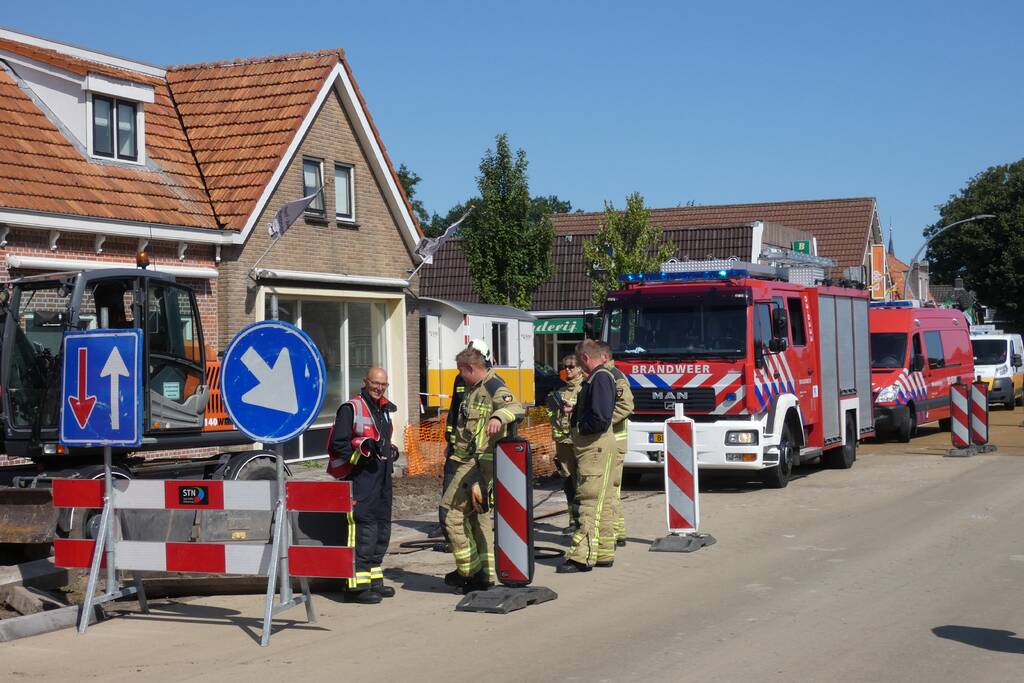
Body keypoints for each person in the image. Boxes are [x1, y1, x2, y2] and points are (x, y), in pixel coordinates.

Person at [440, 346, 524, 593]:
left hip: (478, 468)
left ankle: (469, 570)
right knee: (478, 518)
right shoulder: (473, 389)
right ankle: (485, 576)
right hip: (470, 462)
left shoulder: (492, 385)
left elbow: (516, 407)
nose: (460, 376)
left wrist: (499, 418)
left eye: (461, 372)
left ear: (470, 368)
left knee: (451, 514)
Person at [326, 367, 398, 604]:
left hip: (383, 478)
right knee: (364, 530)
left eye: (383, 384)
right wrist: (362, 456)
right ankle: (355, 587)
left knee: (381, 529)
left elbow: (382, 439)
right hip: (361, 479)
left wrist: (391, 450)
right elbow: (339, 445)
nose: (379, 388)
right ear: (365, 382)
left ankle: (374, 581)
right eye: (376, 383)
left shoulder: (383, 409)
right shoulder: (351, 408)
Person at [558, 339, 618, 573]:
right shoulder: (599, 378)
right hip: (596, 448)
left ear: (584, 358)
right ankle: (603, 552)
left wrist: (581, 426)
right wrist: (577, 412)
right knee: (601, 502)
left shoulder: (600, 378)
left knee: (588, 501)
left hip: (594, 449)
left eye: (577, 363)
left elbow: (601, 418)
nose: (575, 369)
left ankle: (580, 557)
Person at [437, 339, 491, 550]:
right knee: (450, 505)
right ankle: (455, 543)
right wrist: (449, 441)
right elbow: (454, 412)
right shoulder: (460, 380)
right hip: (457, 454)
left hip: (478, 460)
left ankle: (471, 559)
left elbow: (511, 411)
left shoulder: (492, 384)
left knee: (476, 510)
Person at [597, 340, 634, 550]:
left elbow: (626, 405)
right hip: (611, 441)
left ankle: (611, 534)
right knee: (612, 490)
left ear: (603, 357)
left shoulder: (615, 376)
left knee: (610, 490)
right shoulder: (607, 375)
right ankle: (617, 532)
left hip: (614, 441)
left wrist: (604, 421)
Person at [545, 353, 584, 534]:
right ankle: (573, 520)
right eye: (565, 366)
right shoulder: (559, 392)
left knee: (582, 483)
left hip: (580, 442)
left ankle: (583, 520)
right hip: (562, 443)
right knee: (568, 483)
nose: (567, 369)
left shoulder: (585, 389)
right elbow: (553, 419)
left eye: (571, 366)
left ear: (580, 368)